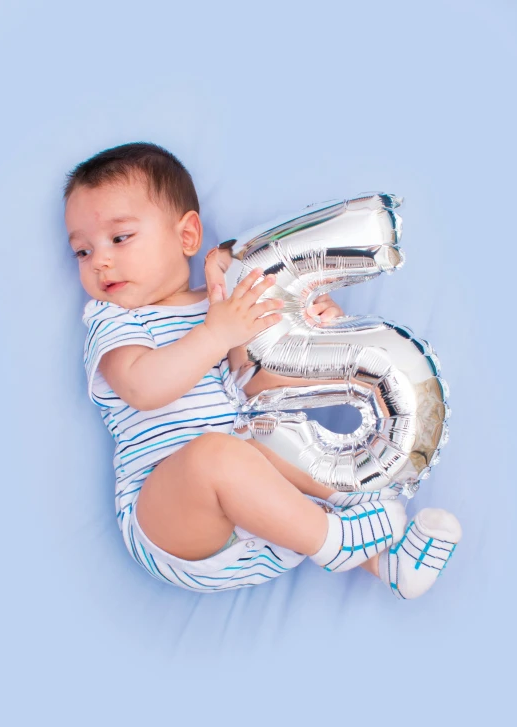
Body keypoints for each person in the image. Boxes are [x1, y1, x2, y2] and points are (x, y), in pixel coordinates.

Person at [64, 141, 462, 596]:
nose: (101, 261)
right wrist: (214, 335)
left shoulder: (227, 305)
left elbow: (270, 369)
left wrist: (312, 321)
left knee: (272, 437)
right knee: (216, 455)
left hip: (269, 520)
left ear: (187, 237)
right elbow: (141, 387)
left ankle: (387, 563)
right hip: (169, 523)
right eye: (82, 252)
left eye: (119, 238)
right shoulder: (115, 320)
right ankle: (336, 541)